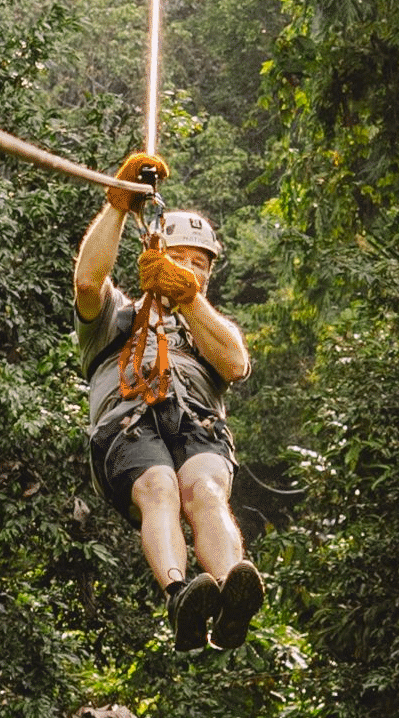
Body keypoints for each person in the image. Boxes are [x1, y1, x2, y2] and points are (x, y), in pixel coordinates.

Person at [75, 150, 263, 651]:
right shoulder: (116, 318)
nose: (191, 270)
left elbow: (235, 362)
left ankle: (230, 596)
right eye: (179, 258)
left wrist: (187, 297)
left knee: (202, 489)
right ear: (156, 254)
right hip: (127, 425)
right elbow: (88, 282)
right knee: (158, 485)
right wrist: (118, 205)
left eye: (199, 266)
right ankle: (181, 593)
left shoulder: (205, 327)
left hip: (197, 425)